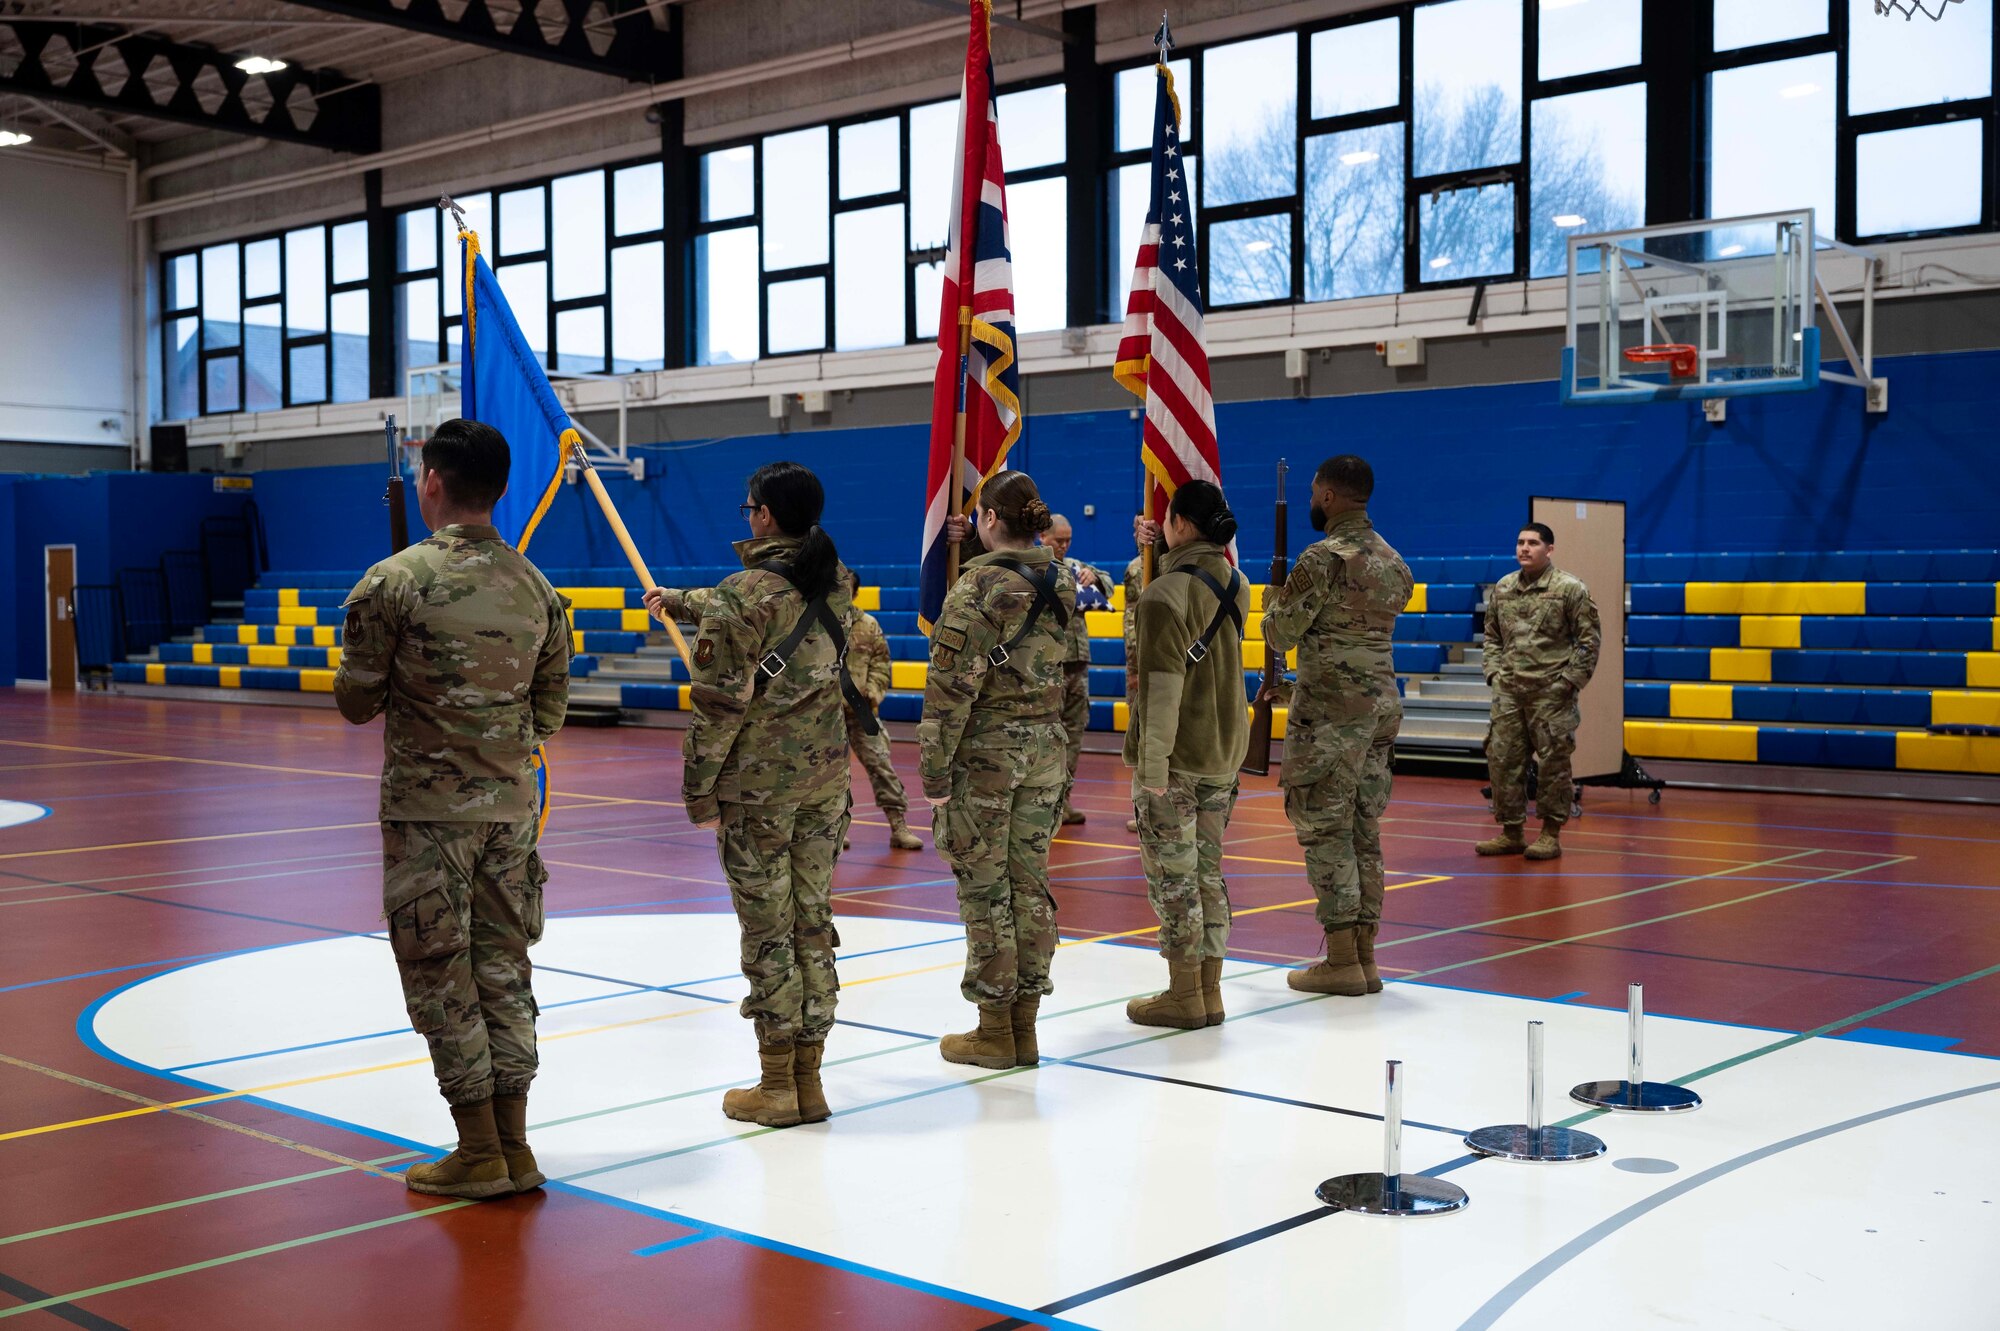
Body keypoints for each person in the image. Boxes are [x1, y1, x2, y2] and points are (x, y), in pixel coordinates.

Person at [333, 417, 571, 1200]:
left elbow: (356, 702)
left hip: (429, 816)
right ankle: (516, 1145)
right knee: (504, 971)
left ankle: (477, 1151)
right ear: (501, 490)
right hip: (508, 813)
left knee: (441, 975)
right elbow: (550, 712)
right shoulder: (537, 587)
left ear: (430, 482)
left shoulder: (392, 580)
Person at [643, 462, 854, 1128]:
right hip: (825, 783)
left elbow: (718, 708)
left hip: (760, 790)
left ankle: (775, 1085)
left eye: (749, 509)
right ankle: (809, 1080)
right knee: (811, 925)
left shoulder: (745, 592)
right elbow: (767, 603)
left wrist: (698, 792)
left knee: (768, 933)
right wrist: (684, 600)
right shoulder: (835, 579)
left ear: (763, 514)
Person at [921, 471, 1076, 1070]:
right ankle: (1025, 1025)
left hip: (987, 753)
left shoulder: (977, 588)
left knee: (985, 889)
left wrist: (934, 774)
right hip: (1046, 746)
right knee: (1029, 884)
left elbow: (951, 690)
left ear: (988, 519)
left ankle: (993, 1028)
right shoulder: (1062, 579)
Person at [1261, 455, 1413, 998]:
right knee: (1362, 830)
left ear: (1327, 496)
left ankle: (1341, 960)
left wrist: (1270, 602)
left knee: (1325, 829)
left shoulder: (1323, 557)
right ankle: (1365, 957)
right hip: (1379, 707)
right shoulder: (1394, 561)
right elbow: (1352, 639)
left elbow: (1281, 633)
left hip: (1330, 715)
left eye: (1313, 491)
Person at [1123, 481, 1251, 1028]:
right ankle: (1210, 991)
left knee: (1174, 878)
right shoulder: (1237, 582)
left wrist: (1151, 770)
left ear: (1177, 521)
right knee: (1209, 873)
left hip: (1175, 758)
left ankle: (1183, 995)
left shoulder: (1163, 595)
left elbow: (1161, 690)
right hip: (1224, 750)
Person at [1477, 522, 1602, 861]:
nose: (1524, 548)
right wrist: (1493, 674)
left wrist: (1568, 683)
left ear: (1550, 549)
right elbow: (1491, 637)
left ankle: (1550, 833)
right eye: (1520, 542)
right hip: (1509, 693)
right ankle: (1511, 832)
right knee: (1503, 761)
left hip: (1551, 694)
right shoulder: (1503, 588)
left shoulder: (1569, 588)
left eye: (1533, 543)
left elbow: (1588, 641)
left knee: (1553, 765)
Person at [841, 568, 923, 851]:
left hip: (862, 711)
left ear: (854, 592)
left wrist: (872, 692)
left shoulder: (868, 625)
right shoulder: (815, 625)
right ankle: (833, 832)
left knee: (882, 765)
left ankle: (898, 826)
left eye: (846, 588)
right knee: (830, 775)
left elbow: (881, 664)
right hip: (824, 714)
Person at [1044, 514, 1115, 826]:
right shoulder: (1036, 569)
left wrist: (1093, 575)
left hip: (1078, 665)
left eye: (1068, 540)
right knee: (1049, 738)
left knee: (1074, 736)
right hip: (1050, 666)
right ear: (1042, 537)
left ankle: (1063, 801)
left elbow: (1109, 586)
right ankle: (1042, 802)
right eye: (1059, 540)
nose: (1064, 545)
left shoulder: (1074, 566)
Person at [1124, 515, 1164, 834]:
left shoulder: (1163, 566)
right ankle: (1142, 803)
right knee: (1138, 731)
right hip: (1140, 655)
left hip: (1159, 659)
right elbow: (1132, 617)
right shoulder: (1136, 569)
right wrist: (1135, 663)